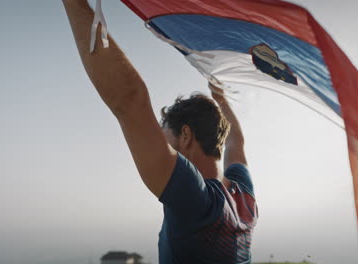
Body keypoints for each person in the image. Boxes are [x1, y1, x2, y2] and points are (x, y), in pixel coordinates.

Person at [62, 1, 258, 263]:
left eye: (165, 135)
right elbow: (237, 140)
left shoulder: (196, 201)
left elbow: (130, 100)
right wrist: (220, 99)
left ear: (185, 135)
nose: (160, 143)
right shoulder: (243, 198)